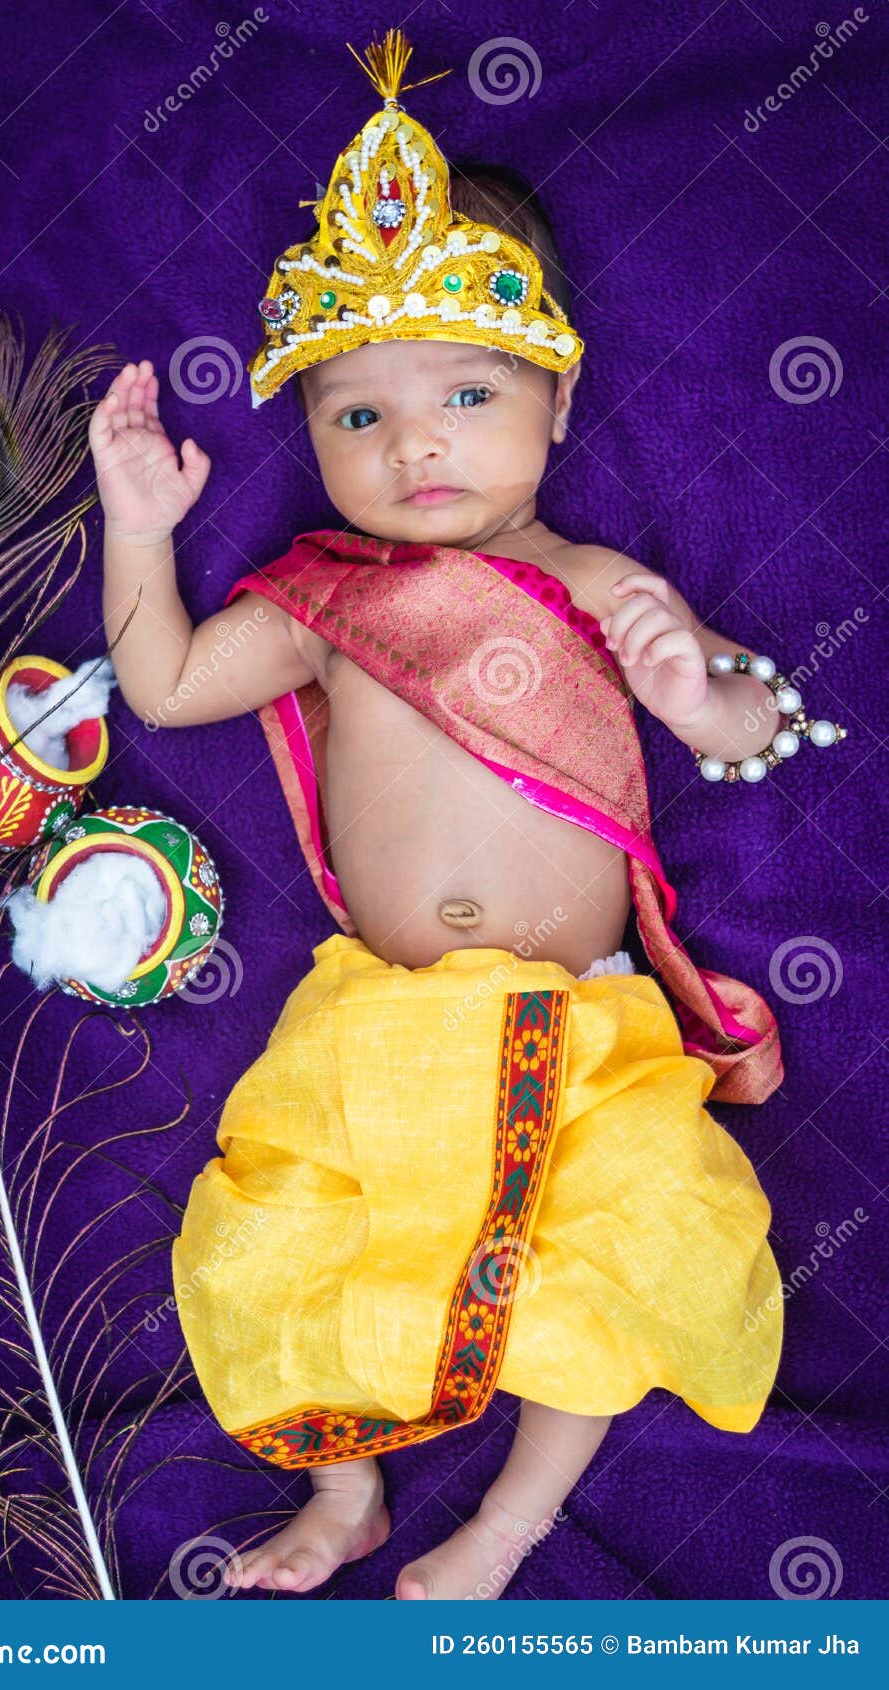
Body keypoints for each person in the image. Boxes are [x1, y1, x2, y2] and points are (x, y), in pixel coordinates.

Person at [87, 29, 823, 1601]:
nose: (413, 441)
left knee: (615, 1245)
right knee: (288, 1220)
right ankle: (345, 1490)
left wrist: (697, 692)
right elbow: (165, 684)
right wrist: (137, 528)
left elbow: (761, 724)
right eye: (356, 415)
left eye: (466, 392)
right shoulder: (325, 602)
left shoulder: (597, 584)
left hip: (583, 1019)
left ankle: (505, 1525)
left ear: (557, 401)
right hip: (379, 1020)